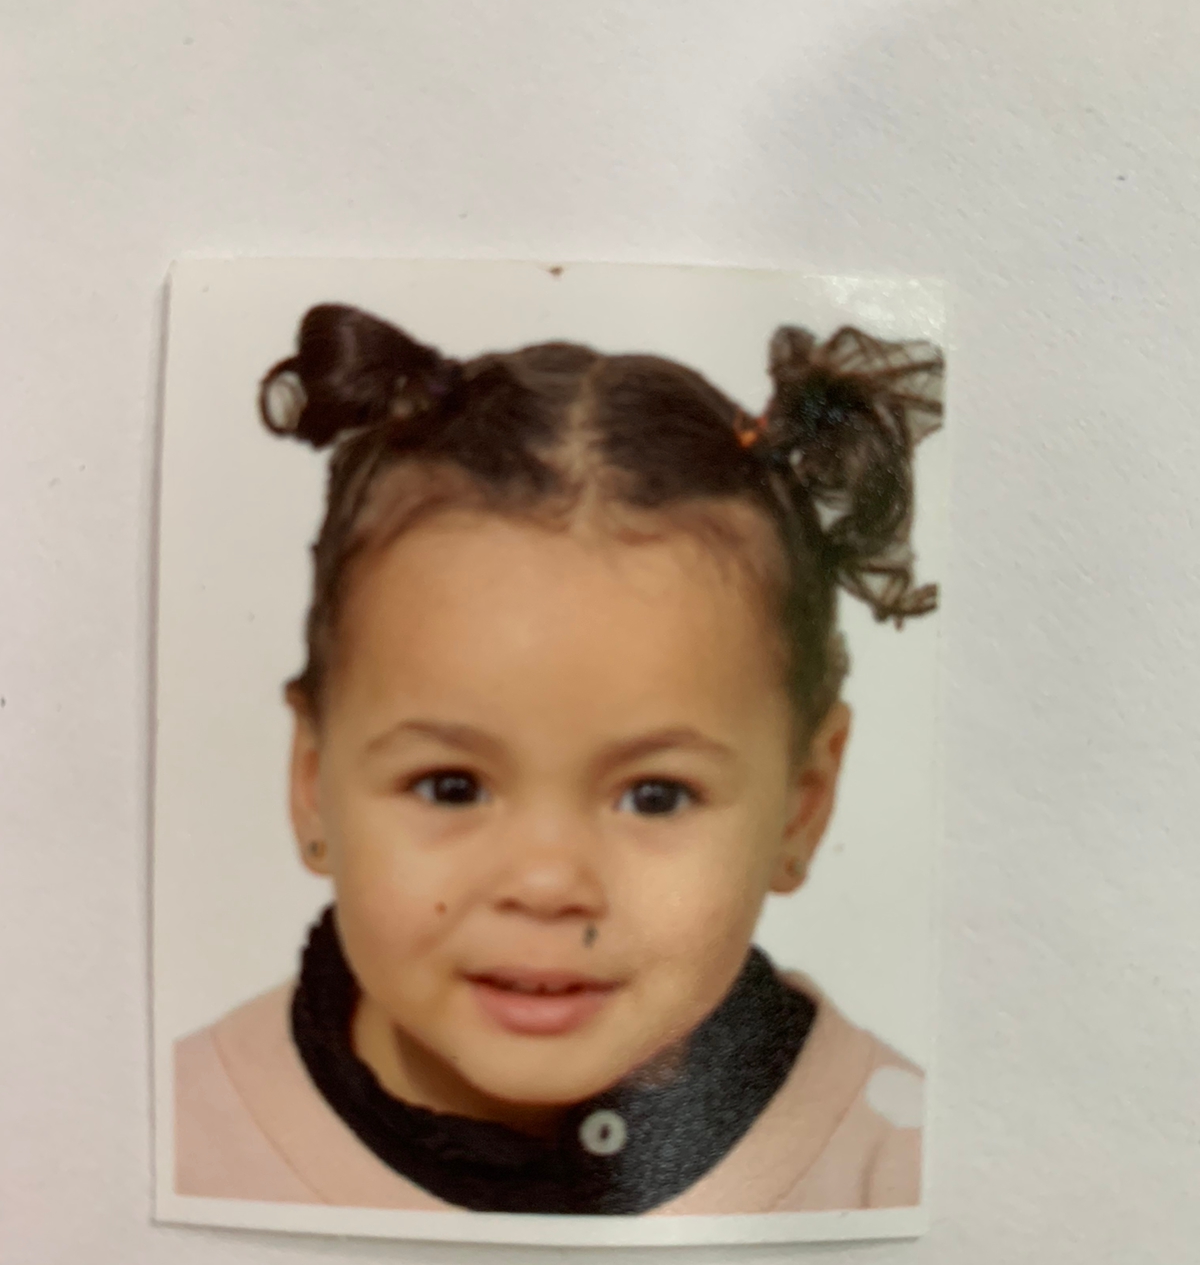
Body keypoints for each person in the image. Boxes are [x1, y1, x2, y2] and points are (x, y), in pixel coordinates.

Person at [173, 303, 943, 1217]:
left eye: (656, 795)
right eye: (451, 786)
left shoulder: (903, 1172)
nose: (546, 885)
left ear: (802, 805)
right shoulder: (171, 1138)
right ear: (311, 784)